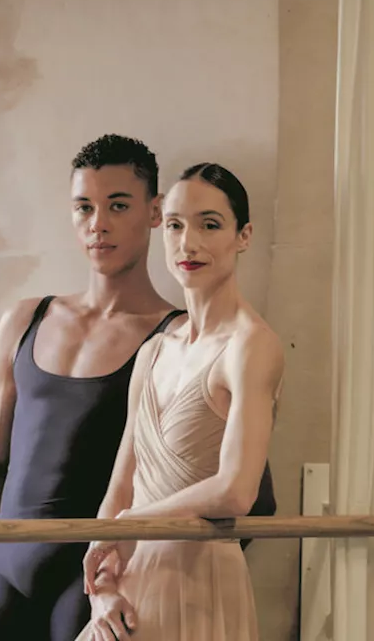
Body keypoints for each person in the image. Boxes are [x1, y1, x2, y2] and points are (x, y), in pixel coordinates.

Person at [0, 136, 276, 641]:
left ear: (150, 212)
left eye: (117, 206)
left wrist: (150, 571)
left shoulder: (189, 338)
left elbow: (246, 495)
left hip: (108, 576)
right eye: (84, 207)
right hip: (11, 569)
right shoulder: (26, 320)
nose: (98, 224)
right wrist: (2, 552)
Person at [74, 162, 284, 641]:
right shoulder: (153, 351)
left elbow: (236, 491)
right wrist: (102, 587)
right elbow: (120, 487)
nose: (188, 243)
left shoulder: (252, 345)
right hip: (124, 595)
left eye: (209, 225)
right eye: (174, 225)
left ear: (243, 235)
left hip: (200, 585)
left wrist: (130, 526)